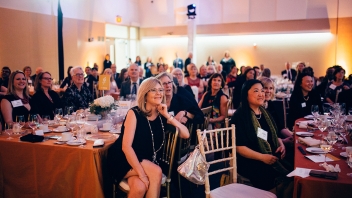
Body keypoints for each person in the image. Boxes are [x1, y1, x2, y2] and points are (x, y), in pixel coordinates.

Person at [107, 77, 189, 198]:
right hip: (123, 159)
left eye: (160, 90)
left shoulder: (162, 115)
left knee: (139, 188)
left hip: (147, 160)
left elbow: (186, 134)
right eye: (153, 90)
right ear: (145, 94)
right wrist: (143, 175)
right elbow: (126, 147)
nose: (159, 93)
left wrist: (168, 116)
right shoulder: (134, 113)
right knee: (156, 171)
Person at [230, 79, 292, 192]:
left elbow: (272, 134)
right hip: (251, 161)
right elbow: (239, 147)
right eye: (256, 91)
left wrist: (280, 143)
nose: (261, 94)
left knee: (293, 163)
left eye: (262, 91)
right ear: (246, 94)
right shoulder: (240, 116)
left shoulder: (264, 112)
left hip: (270, 155)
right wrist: (262, 157)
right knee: (279, 178)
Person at [260, 77, 293, 144]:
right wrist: (281, 141)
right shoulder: (257, 108)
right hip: (265, 144)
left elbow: (280, 127)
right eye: (265, 88)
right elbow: (259, 133)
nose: (268, 91)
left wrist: (292, 136)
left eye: (271, 88)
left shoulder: (271, 104)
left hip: (277, 139)